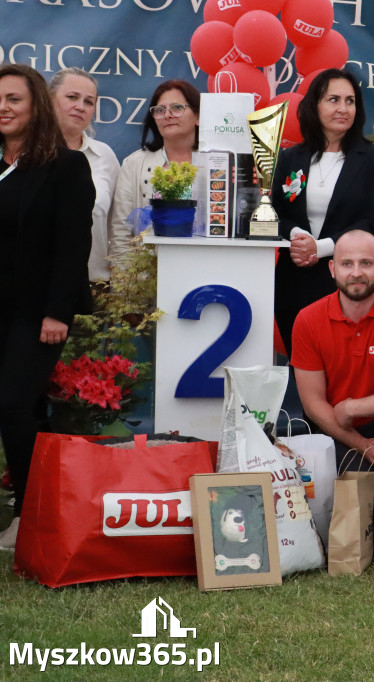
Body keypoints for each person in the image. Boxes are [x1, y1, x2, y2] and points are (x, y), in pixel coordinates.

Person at [291, 230, 374, 566]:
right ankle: (368, 513)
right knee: (371, 495)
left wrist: (354, 407)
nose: (356, 272)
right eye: (347, 263)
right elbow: (313, 405)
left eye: (366, 263)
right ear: (332, 269)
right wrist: (358, 442)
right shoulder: (308, 319)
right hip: (338, 432)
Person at [0, 64, 94, 550]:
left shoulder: (64, 165)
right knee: (23, 409)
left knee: (14, 404)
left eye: (14, 99)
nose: (4, 108)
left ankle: (28, 514)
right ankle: (37, 507)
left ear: (35, 105)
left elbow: (72, 243)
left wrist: (58, 311)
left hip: (36, 315)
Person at [271, 68, 374, 355]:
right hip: (293, 281)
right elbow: (273, 211)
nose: (343, 108)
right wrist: (299, 237)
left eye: (350, 101)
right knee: (301, 368)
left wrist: (321, 248)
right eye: (333, 99)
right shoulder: (290, 157)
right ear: (315, 105)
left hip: (347, 283)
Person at [108, 79, 201, 266]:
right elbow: (120, 232)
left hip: (202, 274)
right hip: (146, 282)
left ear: (198, 116)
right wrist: (127, 289)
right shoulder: (134, 164)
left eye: (176, 108)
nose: (167, 115)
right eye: (159, 110)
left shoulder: (218, 163)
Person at [49, 68, 119, 284]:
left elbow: (118, 227)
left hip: (95, 289)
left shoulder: (104, 156)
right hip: (35, 289)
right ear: (49, 101)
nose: (80, 106)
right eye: (72, 97)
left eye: (89, 102)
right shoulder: (26, 154)